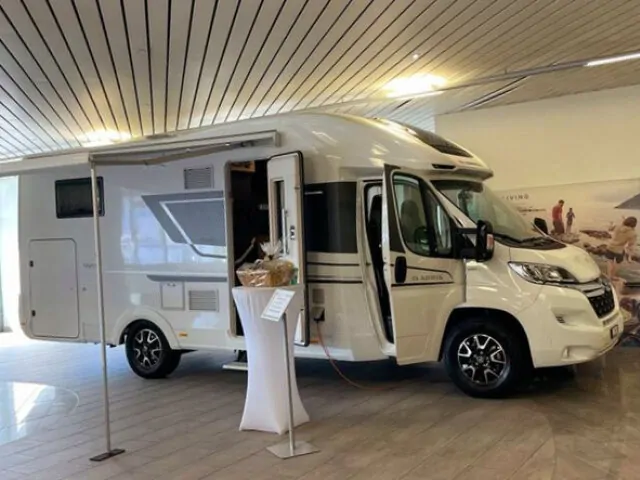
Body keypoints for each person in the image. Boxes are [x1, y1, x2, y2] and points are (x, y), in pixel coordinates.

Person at [606, 216, 638, 281]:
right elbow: (630, 245)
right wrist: (630, 257)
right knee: (618, 263)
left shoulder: (618, 226)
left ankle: (609, 276)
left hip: (610, 246)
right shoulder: (633, 233)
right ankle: (613, 276)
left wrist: (611, 224)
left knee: (610, 261)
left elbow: (610, 229)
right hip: (619, 250)